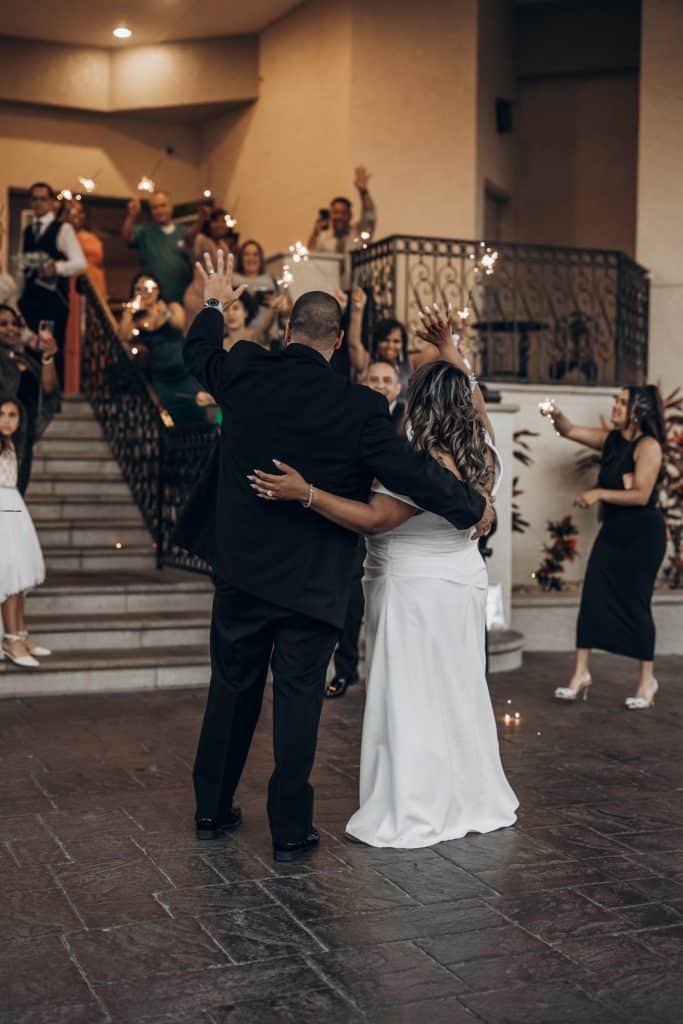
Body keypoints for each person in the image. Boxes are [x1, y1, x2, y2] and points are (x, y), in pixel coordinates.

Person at [174, 251, 493, 862]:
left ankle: (211, 808)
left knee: (231, 687)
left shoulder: (243, 369)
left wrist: (214, 300)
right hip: (314, 582)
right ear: (338, 339)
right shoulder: (359, 409)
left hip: (242, 571)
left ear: (287, 331)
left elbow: (198, 354)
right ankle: (291, 827)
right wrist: (470, 505)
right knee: (298, 701)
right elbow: (413, 473)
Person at [250, 304, 517, 848]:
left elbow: (375, 518)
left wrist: (306, 492)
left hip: (413, 592)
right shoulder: (483, 450)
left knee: (412, 698)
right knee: (459, 693)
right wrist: (450, 349)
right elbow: (478, 402)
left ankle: (415, 806)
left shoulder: (420, 462)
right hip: (461, 584)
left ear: (419, 405)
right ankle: (470, 795)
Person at [541, 387, 667, 710]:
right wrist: (555, 414)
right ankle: (580, 674)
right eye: (617, 400)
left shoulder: (649, 446)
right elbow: (569, 430)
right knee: (593, 596)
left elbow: (641, 495)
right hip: (613, 532)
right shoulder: (611, 440)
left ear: (638, 409)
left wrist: (598, 494)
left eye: (623, 402)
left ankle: (646, 681)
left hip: (643, 536)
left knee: (637, 603)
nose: (616, 406)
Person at [325, 359, 406, 700]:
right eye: (372, 378)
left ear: (398, 387)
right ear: (361, 381)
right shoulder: (347, 414)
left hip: (399, 517)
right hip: (357, 514)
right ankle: (346, 669)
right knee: (350, 593)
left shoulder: (408, 421)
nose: (379, 385)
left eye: (387, 379)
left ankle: (394, 674)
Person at [118, 273, 210, 424]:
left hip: (184, 371)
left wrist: (165, 313)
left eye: (148, 288)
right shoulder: (136, 317)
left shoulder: (171, 306)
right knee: (165, 418)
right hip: (160, 376)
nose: (145, 293)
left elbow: (180, 325)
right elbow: (123, 336)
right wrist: (130, 311)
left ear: (158, 290)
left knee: (196, 412)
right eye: (139, 289)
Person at [18, 182, 86, 385]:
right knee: (30, 348)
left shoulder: (62, 229)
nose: (38, 203)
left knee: (51, 348)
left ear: (51, 202)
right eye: (34, 199)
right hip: (29, 300)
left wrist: (57, 268)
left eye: (43, 198)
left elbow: (80, 262)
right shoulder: (28, 231)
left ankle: (54, 400)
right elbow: (23, 266)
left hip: (53, 300)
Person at [0, 396, 50, 668]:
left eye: (12, 415)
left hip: (14, 509)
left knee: (20, 577)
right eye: (2, 414)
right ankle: (9, 640)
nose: (7, 420)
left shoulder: (11, 445)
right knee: (9, 577)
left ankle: (20, 632)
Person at [0, 305, 59, 495]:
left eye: (15, 324)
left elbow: (48, 389)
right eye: (3, 324)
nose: (11, 329)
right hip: (2, 436)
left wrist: (48, 357)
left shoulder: (25, 359)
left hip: (22, 437)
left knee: (17, 490)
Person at [63, 198, 108, 393]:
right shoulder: (61, 237)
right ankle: (71, 386)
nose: (76, 216)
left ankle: (95, 386)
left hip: (93, 292)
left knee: (94, 339)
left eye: (79, 212)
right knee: (71, 339)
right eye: (71, 212)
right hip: (70, 293)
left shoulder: (91, 238)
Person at [307, 166, 376, 283]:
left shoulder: (358, 233)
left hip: (357, 289)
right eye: (335, 213)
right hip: (330, 290)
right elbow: (311, 257)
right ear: (331, 215)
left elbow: (369, 216)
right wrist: (315, 233)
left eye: (343, 213)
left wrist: (363, 193)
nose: (339, 217)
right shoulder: (323, 239)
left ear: (350, 215)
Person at [121, 191, 192, 304]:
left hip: (182, 298)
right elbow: (127, 236)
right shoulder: (145, 232)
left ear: (171, 207)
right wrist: (132, 216)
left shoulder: (184, 232)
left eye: (163, 206)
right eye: (155, 208)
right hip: (153, 301)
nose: (159, 211)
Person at [183, 208, 233, 324]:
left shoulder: (224, 246)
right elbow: (188, 237)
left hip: (215, 299)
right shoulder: (201, 240)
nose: (220, 225)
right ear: (209, 223)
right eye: (216, 221)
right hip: (197, 296)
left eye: (223, 221)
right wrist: (201, 218)